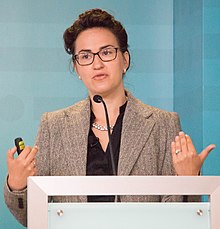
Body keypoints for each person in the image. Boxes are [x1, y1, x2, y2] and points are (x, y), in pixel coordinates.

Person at [4, 8, 216, 227]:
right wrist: (18, 185)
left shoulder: (163, 124)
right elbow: (32, 218)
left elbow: (179, 219)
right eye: (85, 56)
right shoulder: (53, 125)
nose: (97, 64)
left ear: (124, 60)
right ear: (77, 68)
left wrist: (188, 181)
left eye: (106, 52)